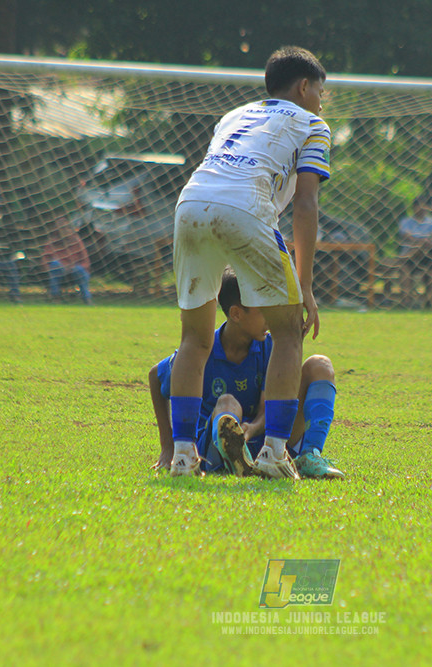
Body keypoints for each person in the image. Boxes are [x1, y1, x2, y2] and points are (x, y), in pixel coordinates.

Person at [166, 46, 331, 479]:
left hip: (191, 203)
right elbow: (307, 203)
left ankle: (183, 457)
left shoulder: (233, 115)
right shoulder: (312, 123)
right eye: (320, 91)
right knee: (288, 330)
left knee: (194, 341)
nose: (321, 101)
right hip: (247, 206)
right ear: (304, 86)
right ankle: (275, 453)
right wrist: (306, 283)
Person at [149, 272, 343, 479]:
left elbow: (265, 409)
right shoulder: (201, 350)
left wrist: (251, 429)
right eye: (263, 311)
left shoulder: (272, 348)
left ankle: (309, 456)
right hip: (211, 448)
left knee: (320, 365)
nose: (271, 318)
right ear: (236, 314)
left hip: (267, 441)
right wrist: (167, 445)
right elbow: (155, 376)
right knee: (227, 403)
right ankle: (231, 453)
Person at [397, 196, 432, 307]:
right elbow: (407, 236)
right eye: (418, 207)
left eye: (424, 206)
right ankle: (406, 302)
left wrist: (425, 242)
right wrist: (421, 241)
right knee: (405, 268)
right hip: (410, 257)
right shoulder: (406, 221)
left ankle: (430, 302)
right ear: (413, 208)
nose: (421, 209)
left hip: (426, 256)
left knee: (431, 272)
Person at [42, 217, 92, 304]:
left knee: (80, 270)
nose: (65, 230)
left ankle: (87, 298)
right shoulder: (52, 242)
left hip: (75, 270)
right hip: (59, 270)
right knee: (55, 265)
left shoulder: (76, 241)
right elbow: (45, 260)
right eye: (62, 228)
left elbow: (85, 261)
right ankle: (55, 297)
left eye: (67, 228)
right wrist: (49, 269)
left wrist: (75, 267)